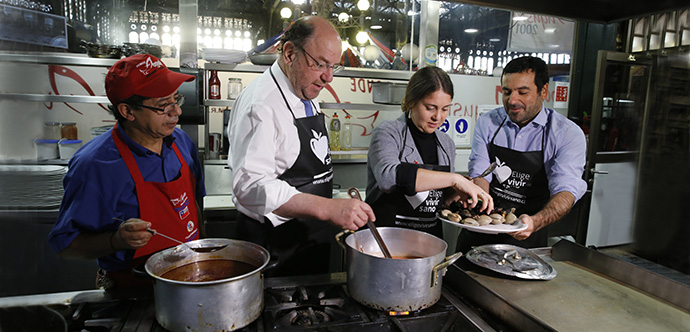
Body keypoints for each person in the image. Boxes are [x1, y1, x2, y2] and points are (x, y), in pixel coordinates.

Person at [226, 16, 375, 276]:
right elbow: (249, 187)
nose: (328, 77)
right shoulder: (261, 104)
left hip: (310, 238)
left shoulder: (303, 88)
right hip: (274, 248)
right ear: (289, 53)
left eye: (333, 67)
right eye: (320, 64)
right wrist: (328, 208)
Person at [48, 54, 205, 290]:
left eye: (176, 100)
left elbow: (195, 205)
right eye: (163, 105)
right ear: (127, 111)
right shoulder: (95, 165)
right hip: (133, 289)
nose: (176, 112)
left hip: (191, 278)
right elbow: (66, 246)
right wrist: (116, 240)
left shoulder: (181, 142)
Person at [456, 56, 587, 253]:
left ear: (544, 91)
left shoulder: (566, 133)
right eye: (507, 92)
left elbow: (566, 190)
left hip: (527, 237)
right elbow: (481, 172)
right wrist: (479, 198)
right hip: (480, 228)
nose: (512, 100)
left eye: (522, 92)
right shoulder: (488, 122)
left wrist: (535, 222)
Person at [366, 66, 493, 238]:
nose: (438, 117)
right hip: (387, 240)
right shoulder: (388, 132)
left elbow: (439, 200)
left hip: (429, 240)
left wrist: (460, 190)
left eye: (445, 109)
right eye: (430, 107)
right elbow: (388, 177)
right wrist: (455, 179)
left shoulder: (446, 143)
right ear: (411, 101)